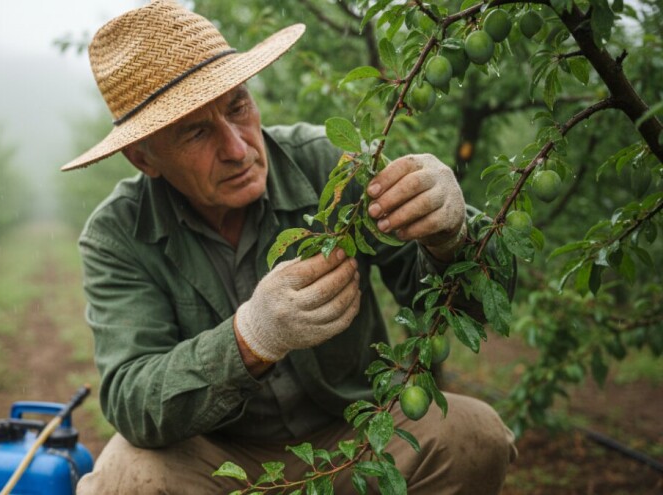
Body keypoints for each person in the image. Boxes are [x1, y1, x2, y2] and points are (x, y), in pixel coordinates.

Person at [62, 1, 517, 493]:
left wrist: (451, 235)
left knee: (474, 436)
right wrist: (250, 339)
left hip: (357, 436)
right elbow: (133, 399)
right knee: (124, 481)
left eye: (238, 106)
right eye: (195, 131)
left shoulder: (328, 166)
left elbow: (468, 307)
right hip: (216, 460)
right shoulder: (118, 233)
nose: (237, 148)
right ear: (144, 158)